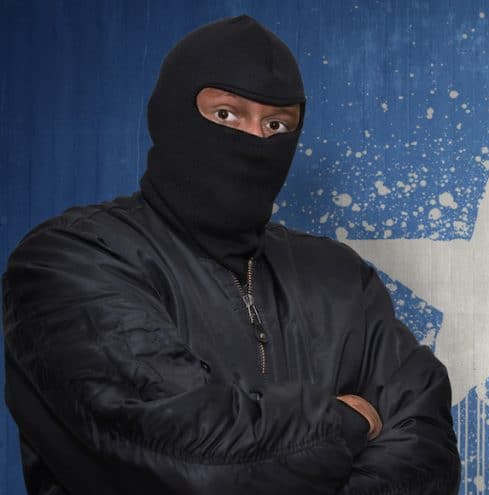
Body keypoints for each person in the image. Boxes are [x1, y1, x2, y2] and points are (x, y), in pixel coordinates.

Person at [2, 15, 460, 495]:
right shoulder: (70, 260)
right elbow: (190, 458)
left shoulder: (341, 278)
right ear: (170, 116)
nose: (255, 140)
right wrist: (346, 422)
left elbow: (424, 454)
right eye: (226, 114)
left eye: (277, 123)